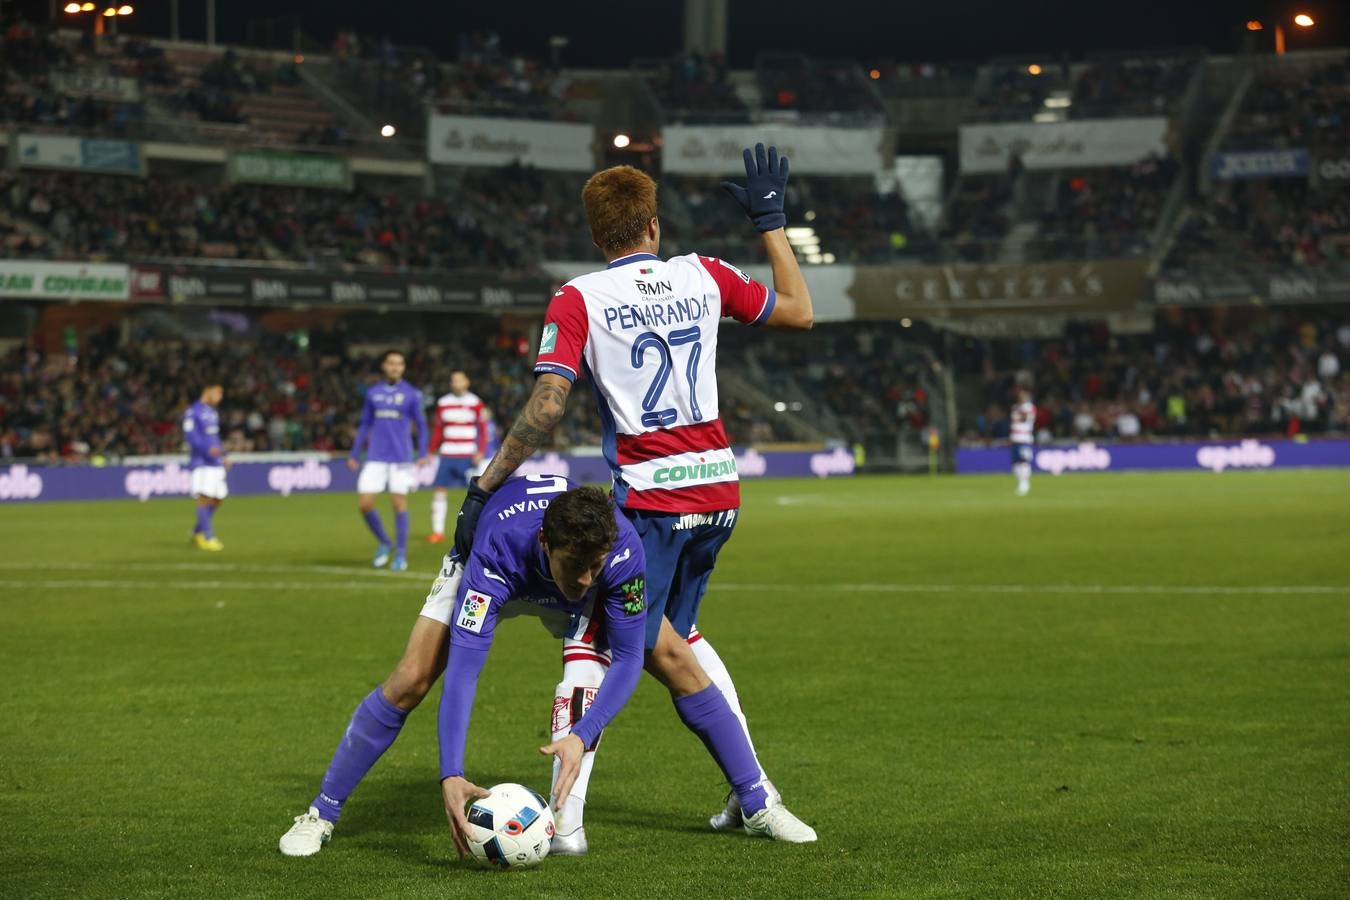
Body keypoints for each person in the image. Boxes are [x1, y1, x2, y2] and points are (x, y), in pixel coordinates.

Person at [453, 144, 817, 848]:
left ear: (597, 236)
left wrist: (488, 483)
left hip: (650, 503)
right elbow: (800, 311)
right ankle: (756, 795)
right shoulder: (703, 273)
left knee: (592, 643)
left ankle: (565, 825)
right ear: (653, 224)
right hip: (717, 496)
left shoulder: (580, 295)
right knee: (681, 647)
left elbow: (549, 404)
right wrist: (771, 220)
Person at [278, 478, 647, 857]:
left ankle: (571, 825)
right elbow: (463, 670)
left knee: (668, 653)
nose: (585, 578)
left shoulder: (620, 550)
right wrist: (451, 772)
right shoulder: (496, 551)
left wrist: (582, 734)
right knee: (411, 678)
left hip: (567, 586)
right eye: (575, 565)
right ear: (544, 542)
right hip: (497, 568)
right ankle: (321, 812)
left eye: (594, 566)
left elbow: (630, 656)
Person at [347, 350, 429, 571]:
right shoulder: (373, 393)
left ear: (403, 368)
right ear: (384, 366)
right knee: (365, 505)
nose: (395, 367)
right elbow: (365, 424)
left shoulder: (412, 394)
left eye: (399, 364)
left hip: (401, 457)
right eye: (391, 363)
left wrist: (422, 452)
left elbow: (421, 425)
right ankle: (385, 542)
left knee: (399, 504)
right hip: (375, 456)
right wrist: (355, 453)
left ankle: (401, 554)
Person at [426, 370, 489, 544]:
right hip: (447, 454)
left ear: (466, 382)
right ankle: (437, 532)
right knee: (439, 491)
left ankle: (478, 529)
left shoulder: (475, 402)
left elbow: (483, 430)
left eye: (460, 380)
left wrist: (481, 451)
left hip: (468, 454)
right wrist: (430, 452)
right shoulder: (443, 402)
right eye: (454, 381)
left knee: (475, 494)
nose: (456, 383)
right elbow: (438, 430)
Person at [183, 382, 229, 551]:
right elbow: (191, 438)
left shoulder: (212, 413)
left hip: (215, 463)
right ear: (206, 391)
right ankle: (208, 537)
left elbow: (214, 438)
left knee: (218, 498)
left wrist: (224, 455)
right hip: (202, 463)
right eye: (218, 393)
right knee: (204, 498)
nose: (220, 397)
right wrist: (208, 450)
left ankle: (197, 531)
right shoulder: (192, 411)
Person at [1011, 386, 1036, 496]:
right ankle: (1020, 482)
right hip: (1015, 438)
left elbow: (1025, 418)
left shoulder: (1029, 407)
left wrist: (1019, 411)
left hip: (1024, 439)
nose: (1020, 396)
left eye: (1022, 395)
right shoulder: (1015, 407)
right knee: (1015, 464)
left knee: (1024, 461)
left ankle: (1025, 483)